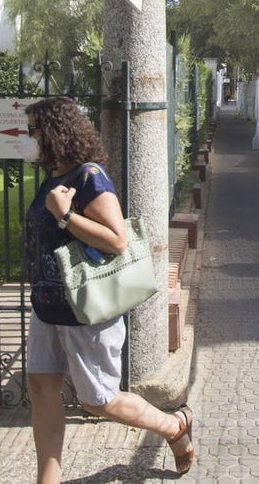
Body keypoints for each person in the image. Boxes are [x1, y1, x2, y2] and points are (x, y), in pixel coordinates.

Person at [22, 97, 194, 483]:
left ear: (54, 131)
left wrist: (65, 216)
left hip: (85, 308)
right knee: (41, 388)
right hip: (47, 305)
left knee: (98, 399)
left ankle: (174, 426)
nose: (27, 137)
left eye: (33, 130)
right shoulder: (54, 177)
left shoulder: (89, 177)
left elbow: (116, 240)